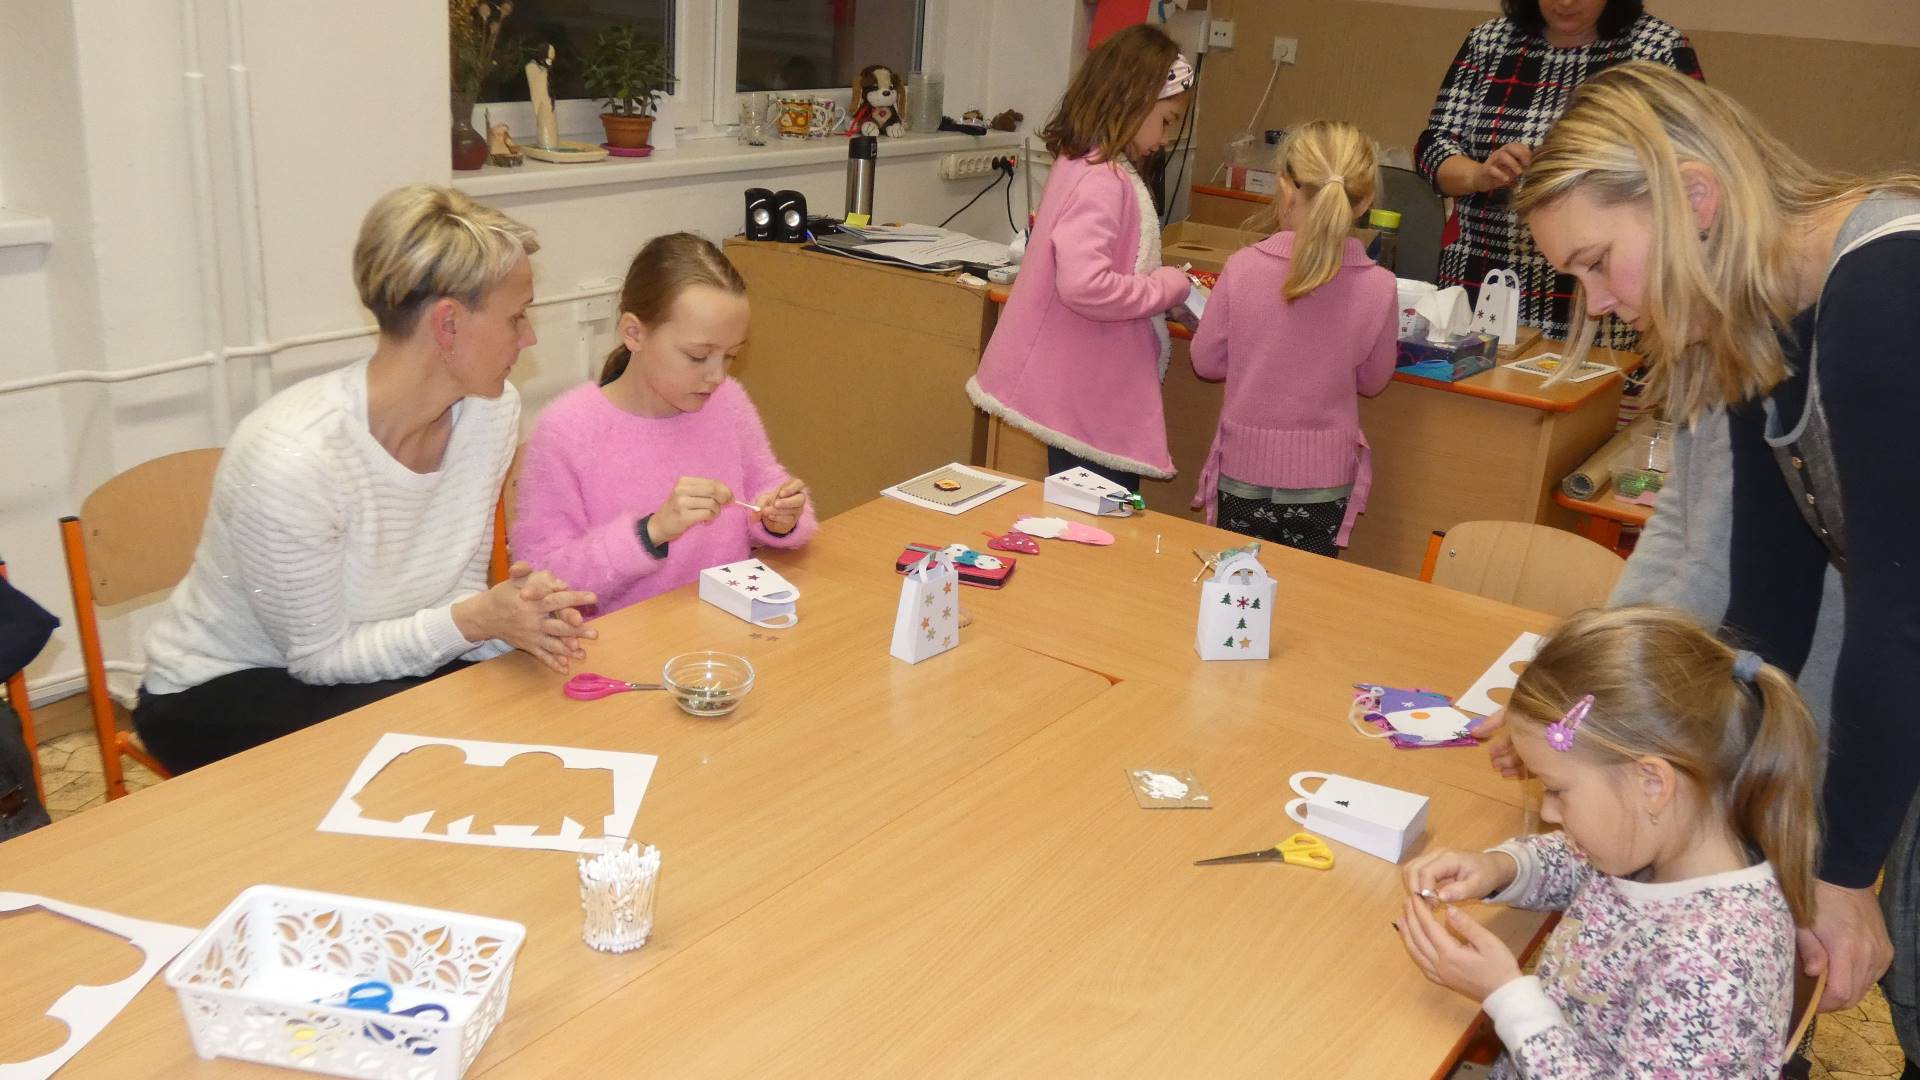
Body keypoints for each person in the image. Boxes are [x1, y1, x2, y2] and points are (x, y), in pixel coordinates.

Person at [1512, 61, 1920, 1057]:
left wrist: (1843, 874)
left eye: (1600, 262)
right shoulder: (1761, 320)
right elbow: (1766, 608)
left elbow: (1900, 624)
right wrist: (1603, 730)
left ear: (1695, 198)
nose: (1601, 302)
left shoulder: (1888, 293)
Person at [136, 186, 596, 775]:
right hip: (219, 690)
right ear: (448, 324)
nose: (528, 337)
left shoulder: (490, 410)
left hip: (363, 665)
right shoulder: (292, 457)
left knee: (517, 706)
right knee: (430, 749)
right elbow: (320, 660)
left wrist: (511, 620)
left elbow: (451, 592)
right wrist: (479, 621)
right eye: (516, 316)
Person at [1402, 606, 1819, 1077]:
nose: (1547, 812)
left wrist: (1509, 1000)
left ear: (1652, 784)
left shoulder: (1710, 966)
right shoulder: (1666, 845)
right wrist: (1501, 868)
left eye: (1557, 790)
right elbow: (1581, 864)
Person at [512, 233, 814, 616]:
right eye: (698, 356)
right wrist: (650, 533)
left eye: (731, 356)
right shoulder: (567, 431)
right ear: (634, 333)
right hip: (621, 640)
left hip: (724, 625)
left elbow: (766, 486)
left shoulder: (727, 403)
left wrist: (780, 517)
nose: (717, 376)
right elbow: (541, 583)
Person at [966, 23, 1194, 493]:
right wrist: (1166, 287)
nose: (1166, 138)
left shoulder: (1082, 164)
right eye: (1167, 121)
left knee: (1080, 515)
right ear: (1134, 101)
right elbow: (1086, 286)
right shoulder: (1102, 179)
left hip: (1081, 389)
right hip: (1088, 395)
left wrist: (1158, 296)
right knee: (1097, 520)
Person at [1415, 0, 1700, 348]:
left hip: (1602, 290)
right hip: (1483, 274)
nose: (1565, 2)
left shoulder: (1656, 47)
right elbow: (1433, 148)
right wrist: (1479, 175)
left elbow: (1687, 164)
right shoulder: (1488, 42)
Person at [1188, 119, 1397, 557]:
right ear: (1364, 201)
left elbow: (1206, 362)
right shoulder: (1380, 285)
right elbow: (1374, 380)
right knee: (1307, 589)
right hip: (1325, 480)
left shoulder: (1243, 267)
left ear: (1285, 187)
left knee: (1239, 586)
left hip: (1244, 468)